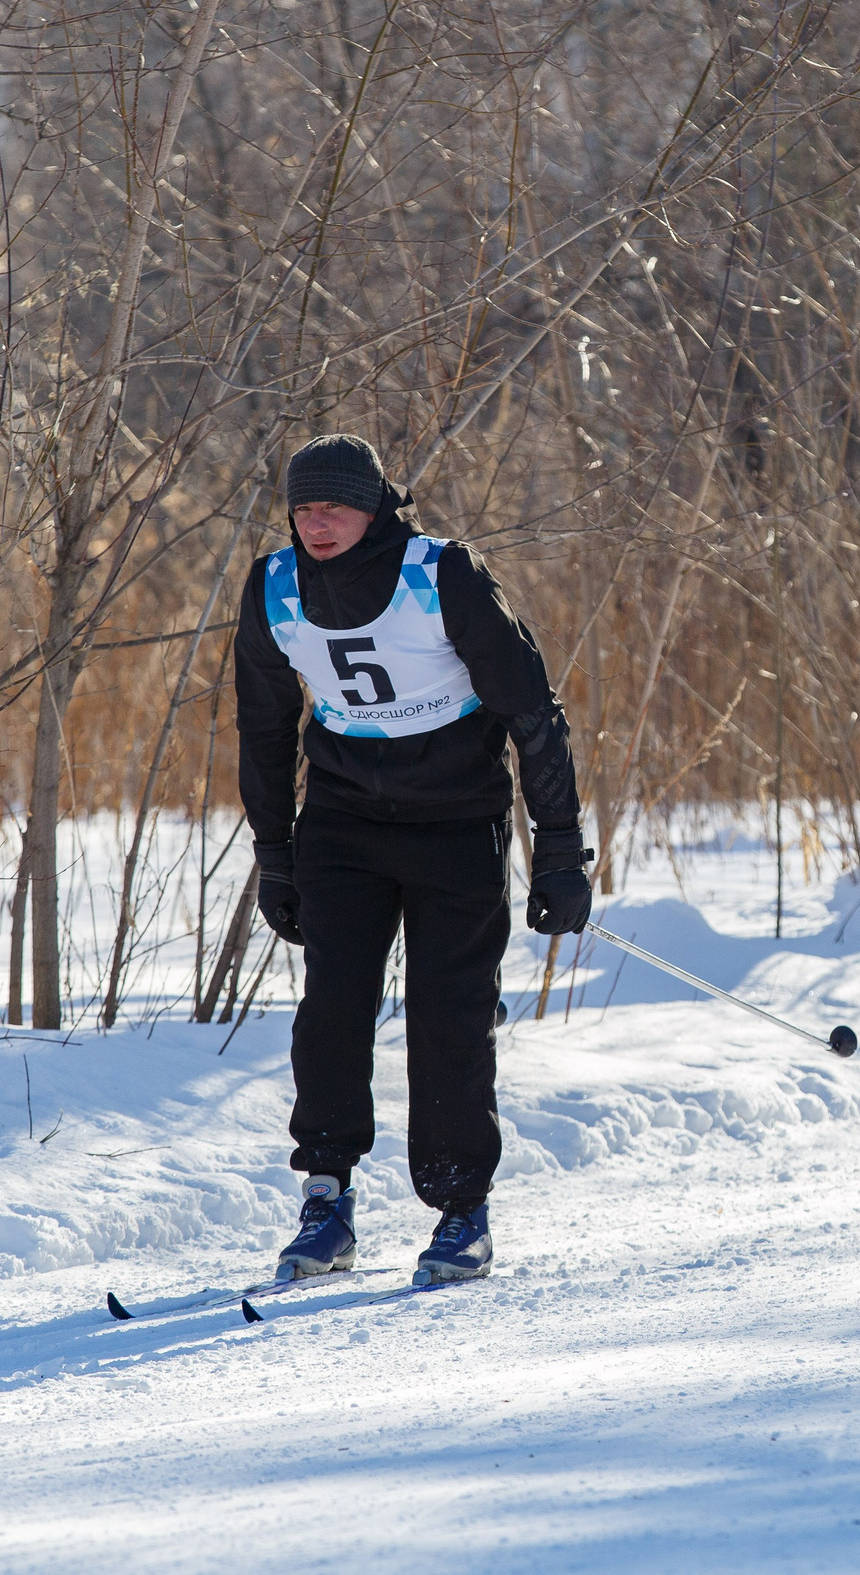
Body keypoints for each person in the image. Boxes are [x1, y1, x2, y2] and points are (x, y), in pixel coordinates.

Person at [233, 433, 592, 1286]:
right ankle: (326, 1199)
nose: (317, 525)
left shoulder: (443, 574)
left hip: (456, 819)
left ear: (373, 506)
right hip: (344, 821)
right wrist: (276, 855)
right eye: (304, 509)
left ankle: (461, 1208)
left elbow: (533, 712)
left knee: (450, 1014)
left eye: (336, 507)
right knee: (332, 1010)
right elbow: (262, 727)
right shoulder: (276, 586)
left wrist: (561, 849)